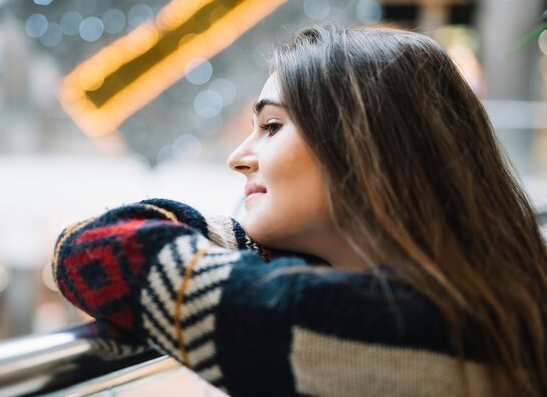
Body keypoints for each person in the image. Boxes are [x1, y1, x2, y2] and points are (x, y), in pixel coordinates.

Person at [52, 25, 547, 397]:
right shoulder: (501, 293)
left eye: (270, 126)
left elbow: (94, 247)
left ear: (365, 146)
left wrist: (247, 248)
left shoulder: (361, 322)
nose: (238, 157)